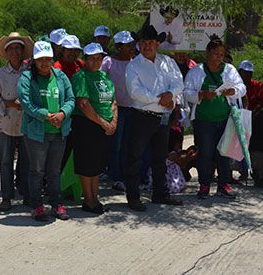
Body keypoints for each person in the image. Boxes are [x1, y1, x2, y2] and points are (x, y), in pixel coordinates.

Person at [124, 24, 184, 211]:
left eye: (150, 42)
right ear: (139, 44)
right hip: (142, 116)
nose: (147, 46)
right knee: (135, 157)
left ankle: (160, 193)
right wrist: (162, 99)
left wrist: (170, 95)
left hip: (163, 117)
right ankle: (133, 197)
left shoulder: (168, 62)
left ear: (157, 43)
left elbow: (178, 81)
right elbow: (135, 91)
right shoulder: (133, 65)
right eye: (143, 42)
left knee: (160, 157)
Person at [17, 41, 75, 221]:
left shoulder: (60, 76)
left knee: (54, 171)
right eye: (40, 59)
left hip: (58, 132)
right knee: (36, 171)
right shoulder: (27, 78)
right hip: (36, 133)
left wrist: (62, 114)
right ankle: (37, 206)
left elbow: (70, 99)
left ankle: (56, 204)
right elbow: (26, 103)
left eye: (47, 59)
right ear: (34, 60)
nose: (44, 63)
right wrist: (46, 115)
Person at [184, 38, 246, 199]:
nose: (219, 57)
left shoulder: (229, 70)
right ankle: (204, 184)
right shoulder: (197, 71)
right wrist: (201, 95)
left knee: (224, 152)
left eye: (221, 54)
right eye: (215, 54)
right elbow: (186, 92)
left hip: (225, 118)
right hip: (204, 119)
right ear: (207, 53)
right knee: (205, 153)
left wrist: (233, 91)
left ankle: (223, 184)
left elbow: (242, 87)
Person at [0, 32, 34, 212]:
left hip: (25, 124)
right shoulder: (1, 74)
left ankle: (26, 194)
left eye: (17, 48)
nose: (14, 52)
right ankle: (6, 197)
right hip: (5, 123)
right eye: (11, 49)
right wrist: (9, 105)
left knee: (26, 161)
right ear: (6, 53)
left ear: (22, 51)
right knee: (5, 161)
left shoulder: (30, 73)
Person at [70, 43, 116, 214]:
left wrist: (113, 122)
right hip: (87, 125)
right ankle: (88, 199)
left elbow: (113, 100)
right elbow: (83, 104)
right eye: (92, 58)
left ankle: (95, 198)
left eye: (99, 58)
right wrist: (103, 123)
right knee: (86, 164)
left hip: (103, 127)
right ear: (86, 59)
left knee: (97, 165)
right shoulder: (81, 76)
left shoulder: (104, 76)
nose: (96, 61)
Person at [100, 31, 135, 192]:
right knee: (116, 144)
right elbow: (101, 82)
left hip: (132, 108)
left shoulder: (135, 62)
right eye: (127, 46)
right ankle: (116, 176)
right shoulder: (108, 62)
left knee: (128, 144)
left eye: (132, 45)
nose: (131, 48)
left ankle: (125, 174)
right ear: (119, 47)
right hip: (115, 108)